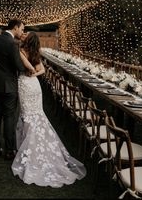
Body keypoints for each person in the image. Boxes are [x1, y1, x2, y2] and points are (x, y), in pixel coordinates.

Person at [11, 32, 87, 187]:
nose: (23, 35)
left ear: (28, 40)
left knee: (27, 115)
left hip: (26, 85)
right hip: (34, 85)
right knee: (35, 116)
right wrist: (34, 74)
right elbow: (42, 71)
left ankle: (28, 150)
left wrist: (30, 72)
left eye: (26, 35)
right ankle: (28, 147)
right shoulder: (35, 52)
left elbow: (31, 68)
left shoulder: (21, 51)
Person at [0, 19, 36, 160]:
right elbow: (19, 67)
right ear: (15, 28)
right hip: (9, 85)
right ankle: (9, 150)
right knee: (9, 117)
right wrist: (27, 65)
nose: (22, 32)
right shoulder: (12, 43)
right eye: (21, 29)